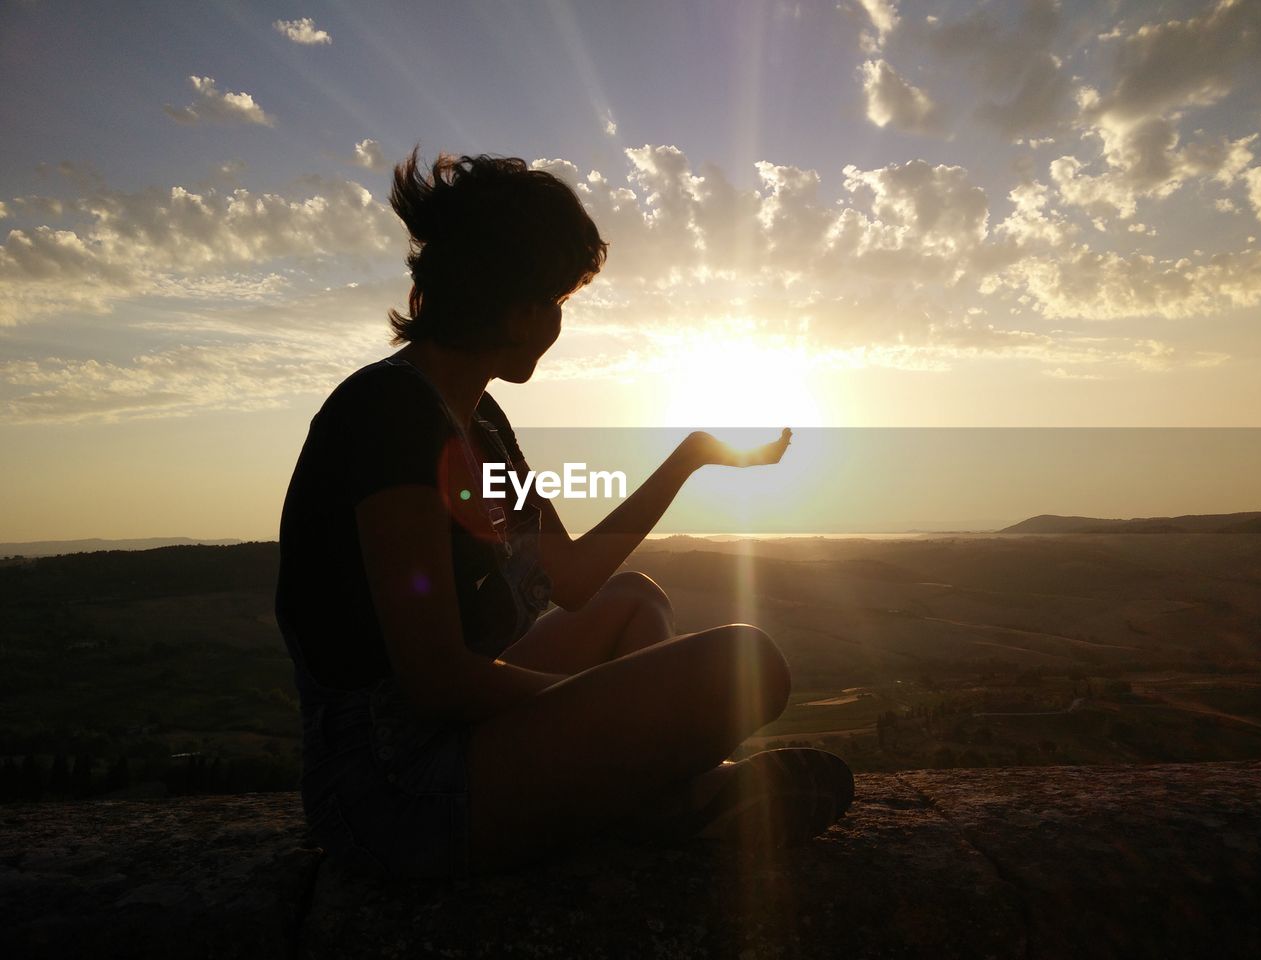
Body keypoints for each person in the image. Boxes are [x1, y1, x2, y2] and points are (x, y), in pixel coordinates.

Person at [275, 147, 854, 880]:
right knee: (750, 664)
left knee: (633, 600)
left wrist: (693, 457)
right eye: (557, 301)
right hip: (395, 789)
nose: (557, 323)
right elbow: (435, 681)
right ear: (515, 310)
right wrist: (617, 717)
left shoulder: (477, 426)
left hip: (449, 737)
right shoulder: (390, 418)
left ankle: (663, 797)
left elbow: (574, 577)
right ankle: (670, 798)